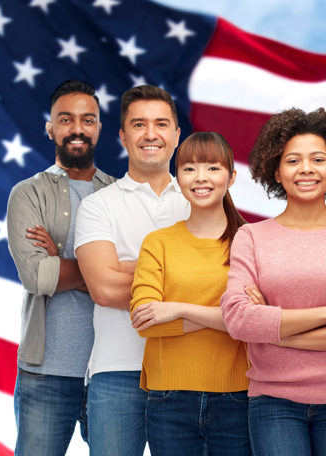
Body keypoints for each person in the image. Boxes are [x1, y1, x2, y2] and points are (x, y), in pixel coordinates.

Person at [220, 107, 326, 456]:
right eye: (293, 160)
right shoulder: (251, 237)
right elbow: (239, 320)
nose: (306, 169)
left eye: (318, 159)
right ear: (277, 171)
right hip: (273, 401)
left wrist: (274, 328)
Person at [75, 85, 190, 456]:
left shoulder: (201, 203)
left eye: (161, 123)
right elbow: (105, 290)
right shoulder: (97, 206)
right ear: (123, 136)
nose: (150, 133)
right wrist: (187, 279)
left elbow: (224, 287)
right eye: (139, 124)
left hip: (187, 372)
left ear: (177, 134)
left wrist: (130, 268)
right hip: (116, 371)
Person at [7, 79, 117, 456]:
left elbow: (142, 279)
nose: (77, 129)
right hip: (44, 373)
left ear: (99, 128)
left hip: (112, 372)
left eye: (88, 120)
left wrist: (60, 261)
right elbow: (38, 277)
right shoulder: (27, 193)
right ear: (50, 127)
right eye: (66, 119)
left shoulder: (121, 194)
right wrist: (102, 272)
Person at [128, 132, 251, 456]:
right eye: (189, 169)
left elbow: (254, 322)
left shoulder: (252, 242)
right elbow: (146, 322)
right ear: (177, 176)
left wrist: (178, 309)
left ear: (232, 176)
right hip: (169, 397)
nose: (200, 178)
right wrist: (226, 316)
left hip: (238, 396)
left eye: (212, 168)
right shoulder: (158, 243)